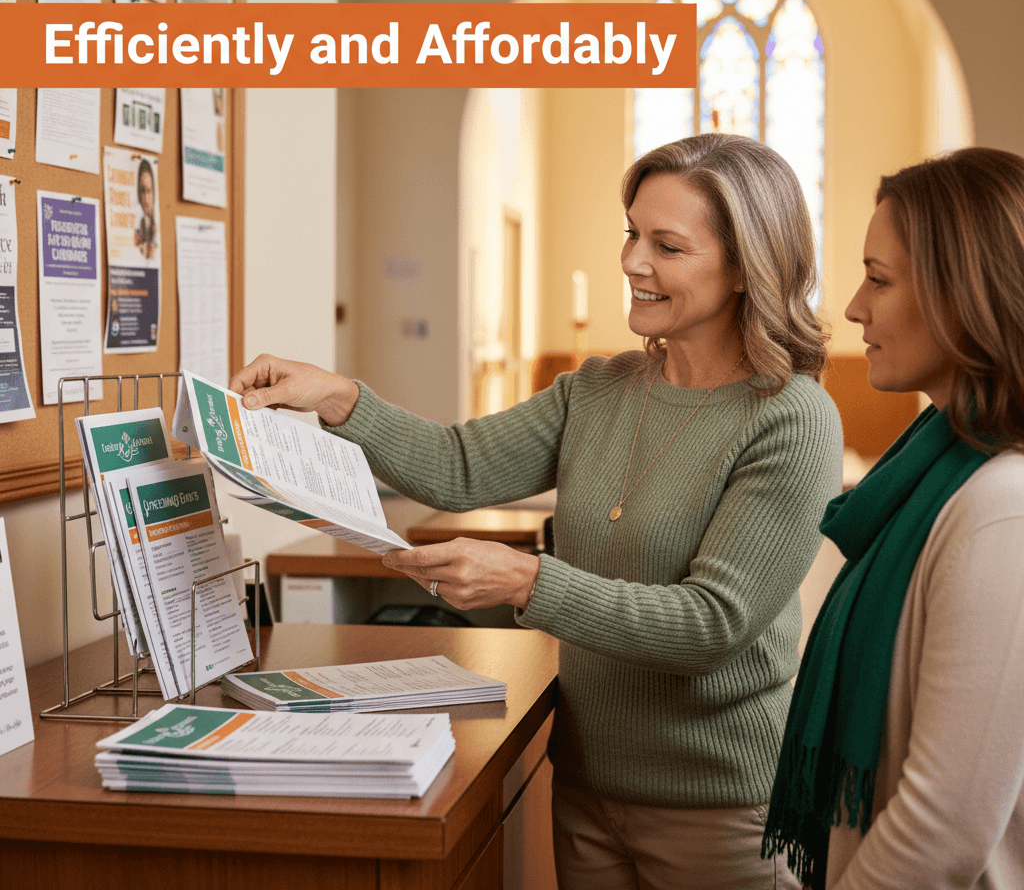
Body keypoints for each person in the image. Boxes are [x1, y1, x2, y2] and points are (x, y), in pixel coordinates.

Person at [230, 133, 842, 890]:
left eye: (668, 246)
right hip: (587, 789)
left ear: (748, 267)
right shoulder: (597, 390)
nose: (633, 262)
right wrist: (336, 396)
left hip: (724, 810)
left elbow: (711, 624)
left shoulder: (791, 418)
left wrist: (526, 581)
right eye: (631, 233)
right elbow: (457, 467)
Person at [762, 147, 1024, 890]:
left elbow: (942, 829)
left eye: (878, 279)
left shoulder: (1001, 508)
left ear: (962, 295)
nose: (853, 307)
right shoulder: (938, 471)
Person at [134, 157, 157, 260]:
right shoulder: (139, 226)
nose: (146, 199)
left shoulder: (156, 227)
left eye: (149, 191)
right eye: (142, 191)